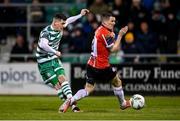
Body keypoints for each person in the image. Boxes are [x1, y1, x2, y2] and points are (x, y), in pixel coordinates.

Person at [62, 12, 131, 113]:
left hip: (91, 64)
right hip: (102, 65)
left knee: (88, 89)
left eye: (114, 21)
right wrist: (120, 35)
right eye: (112, 21)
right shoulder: (105, 33)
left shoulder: (100, 29)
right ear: (105, 22)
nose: (114, 23)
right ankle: (123, 104)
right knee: (117, 81)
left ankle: (71, 100)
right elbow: (114, 49)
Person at [35, 9, 89, 113]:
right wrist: (55, 51)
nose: (64, 25)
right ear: (56, 23)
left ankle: (72, 106)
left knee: (62, 78)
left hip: (54, 59)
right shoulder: (46, 32)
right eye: (62, 23)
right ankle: (71, 103)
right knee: (57, 86)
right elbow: (43, 45)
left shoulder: (61, 25)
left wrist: (80, 15)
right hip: (44, 62)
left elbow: (69, 20)